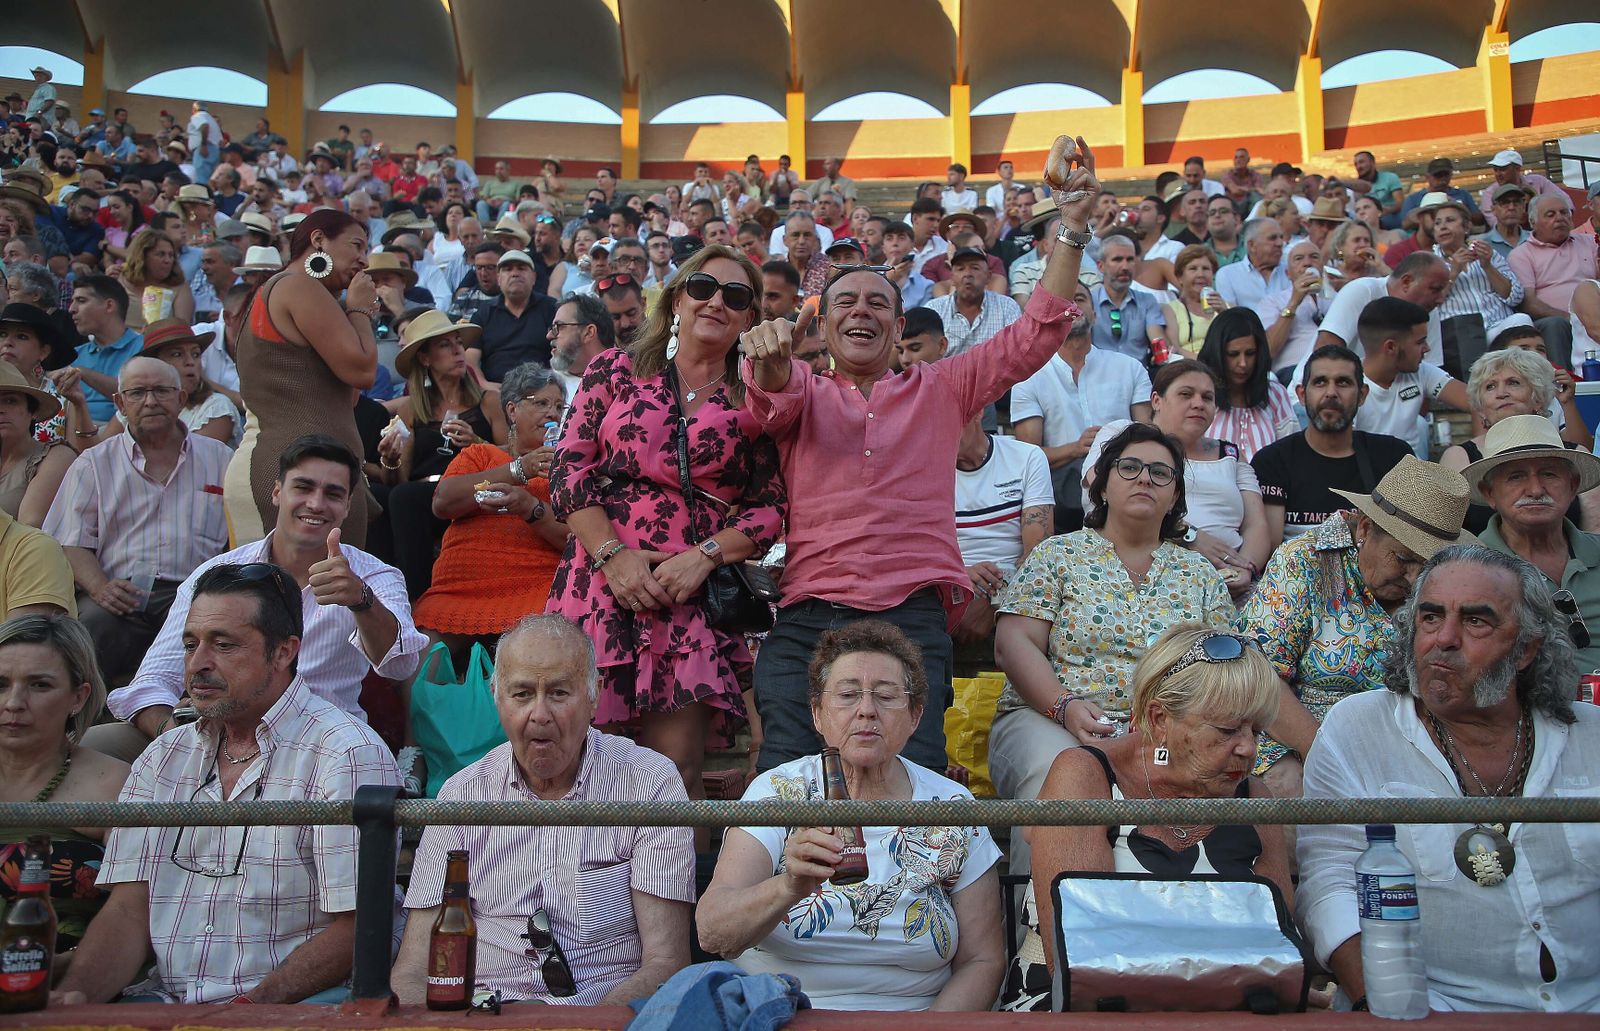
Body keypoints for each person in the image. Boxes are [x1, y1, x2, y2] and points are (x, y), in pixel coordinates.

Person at [743, 135, 1099, 773]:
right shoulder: (803, 387)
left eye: (878, 303)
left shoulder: (942, 386)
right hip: (809, 608)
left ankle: (913, 877)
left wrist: (1069, 229)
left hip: (911, 609)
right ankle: (789, 878)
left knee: (918, 782)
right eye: (845, 303)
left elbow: (1035, 332)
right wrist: (768, 365)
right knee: (786, 782)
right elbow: (769, 395)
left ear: (899, 328)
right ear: (823, 331)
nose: (862, 312)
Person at [51, 562, 401, 1006]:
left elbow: (360, 926)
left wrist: (244, 1012)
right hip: (168, 1002)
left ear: (284, 652)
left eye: (224, 645)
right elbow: (127, 910)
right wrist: (74, 999)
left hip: (298, 1008)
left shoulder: (346, 754)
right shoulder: (162, 758)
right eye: (191, 643)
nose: (198, 664)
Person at [1298, 545, 1600, 1013]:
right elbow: (1329, 884)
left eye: (1477, 621)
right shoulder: (1357, 728)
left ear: (1526, 650)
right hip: (1428, 1009)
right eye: (1431, 617)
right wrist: (1380, 1006)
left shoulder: (1591, 736)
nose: (1445, 638)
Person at [549, 244, 784, 800]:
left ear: (751, 317)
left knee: (672, 776)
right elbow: (568, 467)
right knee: (578, 763)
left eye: (736, 296)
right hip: (600, 577)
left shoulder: (760, 397)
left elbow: (770, 507)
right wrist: (614, 556)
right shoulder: (615, 368)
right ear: (677, 298)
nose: (716, 303)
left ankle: (668, 890)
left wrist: (702, 559)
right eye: (702, 287)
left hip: (689, 592)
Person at [698, 621, 1003, 1011]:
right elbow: (712, 933)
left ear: (914, 717)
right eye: (846, 695)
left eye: (886, 696)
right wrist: (789, 887)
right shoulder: (777, 793)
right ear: (818, 715)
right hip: (780, 1014)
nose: (866, 711)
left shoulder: (951, 805)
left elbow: (983, 960)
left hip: (914, 1021)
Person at [392, 614, 694, 1005]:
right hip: (483, 1016)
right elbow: (414, 971)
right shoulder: (461, 795)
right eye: (521, 694)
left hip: (600, 1018)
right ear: (496, 697)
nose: (539, 714)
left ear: (594, 696)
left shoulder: (649, 785)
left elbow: (666, 964)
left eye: (558, 693)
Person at [988, 422, 1235, 879]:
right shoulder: (1058, 555)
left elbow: (1226, 667)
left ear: (1176, 495)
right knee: (1062, 774)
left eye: (1161, 473)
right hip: (1049, 718)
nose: (1145, 478)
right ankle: (1041, 939)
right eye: (1130, 467)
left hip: (1161, 734)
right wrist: (1065, 707)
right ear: (1102, 483)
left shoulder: (1199, 573)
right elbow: (1013, 643)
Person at [1002, 624, 1292, 1011]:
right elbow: (1080, 964)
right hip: (1075, 1011)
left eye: (1257, 730)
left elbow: (1281, 950)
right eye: (1227, 730)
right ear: (1158, 720)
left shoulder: (1253, 796)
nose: (1248, 748)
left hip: (1218, 1008)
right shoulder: (1086, 777)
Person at [92, 434, 424, 761]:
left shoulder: (372, 576)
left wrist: (360, 601)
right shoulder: (218, 571)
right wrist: (173, 733)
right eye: (303, 487)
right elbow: (152, 680)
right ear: (277, 492)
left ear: (348, 506)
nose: (316, 503)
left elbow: (400, 664)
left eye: (333, 494)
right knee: (91, 749)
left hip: (318, 744)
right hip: (210, 734)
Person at [1239, 454, 1472, 802]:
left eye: (1427, 566)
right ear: (1364, 529)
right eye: (1404, 559)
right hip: (1299, 743)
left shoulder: (1450, 583)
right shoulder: (1306, 560)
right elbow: (1259, 677)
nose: (1413, 578)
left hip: (1413, 742)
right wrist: (1335, 759)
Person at [43, 357, 231, 684]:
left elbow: (239, 537)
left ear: (181, 399)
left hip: (198, 594)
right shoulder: (93, 463)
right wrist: (100, 588)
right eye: (137, 393)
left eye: (161, 391)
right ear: (119, 403)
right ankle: (80, 720)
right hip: (118, 594)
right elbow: (70, 541)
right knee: (86, 631)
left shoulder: (220, 458)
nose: (150, 401)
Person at [225, 208, 378, 548]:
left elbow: (347, 396)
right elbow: (363, 371)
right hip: (287, 471)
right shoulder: (298, 286)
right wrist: (360, 311)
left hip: (300, 470)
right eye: (356, 245)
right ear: (318, 240)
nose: (364, 260)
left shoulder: (289, 289)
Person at [414, 364, 568, 655]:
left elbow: (575, 539)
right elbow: (443, 502)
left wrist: (529, 506)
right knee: (421, 659)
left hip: (534, 587)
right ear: (512, 410)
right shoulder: (479, 455)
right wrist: (519, 469)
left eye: (560, 406)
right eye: (542, 403)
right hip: (459, 590)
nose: (553, 414)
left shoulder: (566, 468)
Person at [0, 615, 127, 952]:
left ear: (79, 697)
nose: (13, 702)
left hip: (66, 981)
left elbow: (133, 914)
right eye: (0, 683)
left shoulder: (116, 785)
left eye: (39, 685)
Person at [1462, 414, 1600, 674]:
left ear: (1573, 486)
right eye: (1516, 477)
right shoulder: (1469, 569)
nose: (1535, 489)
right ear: (1490, 493)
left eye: (1548, 474)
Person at [383, 309, 506, 597]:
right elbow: (400, 479)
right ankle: (411, 596)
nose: (457, 351)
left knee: (404, 498)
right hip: (426, 493)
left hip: (473, 488)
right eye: (445, 345)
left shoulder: (488, 401)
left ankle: (415, 597)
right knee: (396, 496)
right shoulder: (411, 409)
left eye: (459, 343)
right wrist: (390, 460)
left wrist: (476, 441)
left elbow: (511, 455)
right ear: (425, 358)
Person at [1142, 359, 1271, 593]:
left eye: (1207, 397)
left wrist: (1246, 568)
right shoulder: (1134, 445)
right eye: (1186, 394)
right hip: (1161, 578)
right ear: (1156, 400)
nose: (1198, 404)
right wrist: (1189, 536)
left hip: (1232, 583)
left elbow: (1256, 524)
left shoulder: (1231, 453)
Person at [1442, 351, 1586, 535]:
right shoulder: (1458, 457)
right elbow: (1446, 534)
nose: (1501, 393)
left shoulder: (1575, 452)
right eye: (1490, 386)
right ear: (1480, 409)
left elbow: (1595, 530)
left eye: (1513, 383)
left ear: (1539, 398)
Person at [953, 414, 1052, 660]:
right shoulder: (921, 468)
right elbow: (919, 555)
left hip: (1015, 596)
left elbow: (1039, 553)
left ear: (976, 413)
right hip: (948, 589)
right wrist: (960, 579)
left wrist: (994, 601)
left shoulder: (1026, 457)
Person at [1199, 307, 1297, 461]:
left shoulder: (1275, 393)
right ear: (1217, 354)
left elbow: (1291, 454)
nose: (1243, 363)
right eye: (1233, 354)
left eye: (1250, 353)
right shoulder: (1199, 397)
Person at [1509, 194, 1598, 363]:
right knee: (1556, 324)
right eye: (1551, 215)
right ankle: (1564, 382)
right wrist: (1571, 317)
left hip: (1593, 313)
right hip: (1556, 321)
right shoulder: (1521, 255)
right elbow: (1529, 303)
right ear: (1533, 222)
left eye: (1564, 213)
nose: (1560, 218)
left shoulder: (1590, 242)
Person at [468, 249, 557, 385]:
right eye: (508, 269)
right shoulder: (483, 314)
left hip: (543, 388)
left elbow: (565, 354)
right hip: (496, 391)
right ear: (499, 278)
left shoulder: (552, 309)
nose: (515, 274)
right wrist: (484, 385)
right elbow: (470, 360)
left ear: (533, 277)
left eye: (521, 269)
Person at [67, 276, 143, 425]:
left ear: (109, 306)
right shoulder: (74, 355)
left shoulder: (144, 347)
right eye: (72, 301)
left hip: (123, 433)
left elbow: (137, 397)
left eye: (81, 301)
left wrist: (82, 373)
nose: (71, 309)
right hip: (74, 430)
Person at [119, 229, 195, 330]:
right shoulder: (120, 280)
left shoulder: (180, 287)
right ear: (142, 256)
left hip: (162, 342)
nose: (167, 260)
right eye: (160, 254)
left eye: (171, 255)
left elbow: (182, 329)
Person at [1161, 245, 1223, 358]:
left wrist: (1225, 313)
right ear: (1180, 277)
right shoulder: (1170, 310)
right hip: (1190, 367)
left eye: (1206, 269)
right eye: (1193, 269)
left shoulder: (1227, 307)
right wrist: (1206, 364)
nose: (1200, 274)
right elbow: (1174, 350)